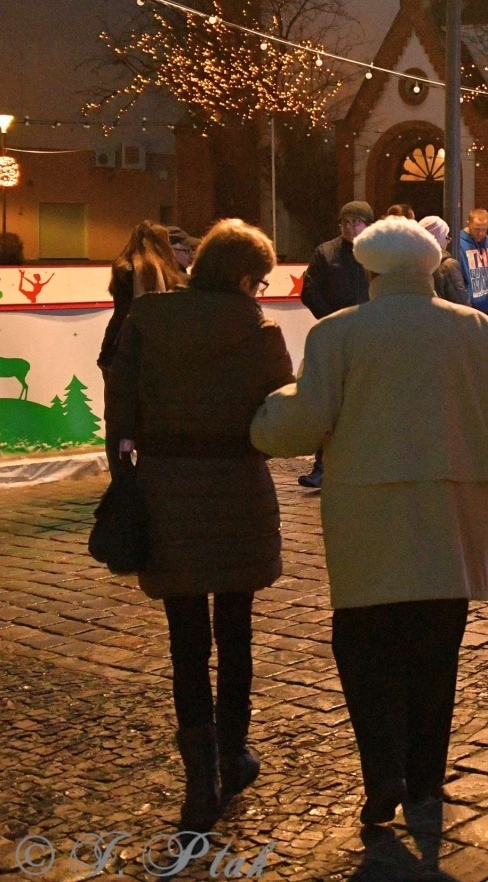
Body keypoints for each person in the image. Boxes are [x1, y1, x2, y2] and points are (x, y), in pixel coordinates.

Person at [250, 217, 488, 829]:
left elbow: (301, 424)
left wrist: (264, 414)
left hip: (367, 520)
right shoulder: (473, 330)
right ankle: (427, 782)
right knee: (437, 656)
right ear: (431, 267)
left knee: (364, 649)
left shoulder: (339, 334)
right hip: (449, 516)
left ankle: (384, 773)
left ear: (370, 269)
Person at [105, 219, 294, 832]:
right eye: (260, 280)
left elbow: (120, 401)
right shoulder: (258, 331)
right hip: (237, 489)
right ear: (242, 276)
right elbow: (277, 416)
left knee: (185, 640)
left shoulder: (147, 320)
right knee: (235, 629)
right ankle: (234, 752)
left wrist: (127, 468)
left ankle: (199, 783)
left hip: (167, 491)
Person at [298, 201, 372, 488]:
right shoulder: (325, 253)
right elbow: (310, 290)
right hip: (334, 335)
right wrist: (330, 320)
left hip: (369, 334)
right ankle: (322, 465)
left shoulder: (377, 251)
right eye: (346, 222)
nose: (351, 227)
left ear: (367, 224)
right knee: (329, 400)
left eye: (356, 222)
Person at [98, 220, 187, 379]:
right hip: (135, 349)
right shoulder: (148, 268)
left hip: (115, 344)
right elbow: (150, 311)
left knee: (117, 399)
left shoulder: (123, 265)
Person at [459, 207, 488, 315]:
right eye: (476, 229)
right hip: (470, 307)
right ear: (468, 224)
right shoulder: (458, 244)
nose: (480, 233)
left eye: (484, 229)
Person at [419, 215, 469, 306]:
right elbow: (462, 302)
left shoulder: (412, 262)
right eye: (446, 237)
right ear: (438, 238)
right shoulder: (448, 265)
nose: (448, 241)